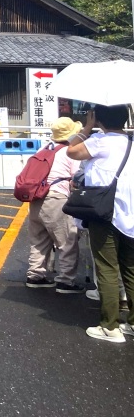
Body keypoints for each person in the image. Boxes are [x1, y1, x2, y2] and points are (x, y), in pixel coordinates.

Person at [65, 104, 134, 343]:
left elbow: (71, 150)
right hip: (131, 215)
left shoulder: (100, 142)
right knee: (130, 269)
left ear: (100, 118)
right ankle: (132, 322)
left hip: (105, 213)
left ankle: (110, 326)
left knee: (106, 267)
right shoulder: (131, 142)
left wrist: (88, 126)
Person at [25, 117, 84, 293]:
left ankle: (35, 275)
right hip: (56, 198)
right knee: (66, 240)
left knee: (39, 239)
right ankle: (65, 281)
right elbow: (77, 178)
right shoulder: (69, 152)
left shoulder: (45, 149)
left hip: (36, 198)